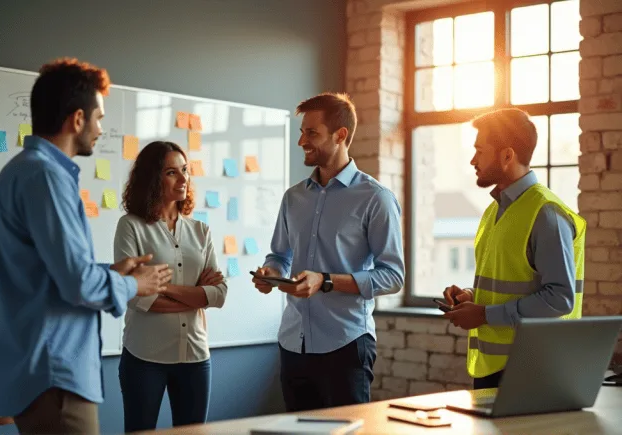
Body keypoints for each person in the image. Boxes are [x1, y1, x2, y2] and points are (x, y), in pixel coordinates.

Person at [0, 58, 172, 435]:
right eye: (99, 118)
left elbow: (51, 273)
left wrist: (110, 273)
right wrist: (136, 284)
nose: (101, 129)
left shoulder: (23, 170)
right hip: (55, 374)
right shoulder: (46, 177)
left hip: (41, 369)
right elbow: (77, 285)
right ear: (78, 119)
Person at [251, 92, 405, 411]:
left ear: (341, 135)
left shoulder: (376, 199)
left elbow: (393, 276)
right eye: (301, 132)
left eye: (312, 133)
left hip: (346, 344)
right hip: (293, 342)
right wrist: (271, 274)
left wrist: (326, 280)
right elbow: (279, 255)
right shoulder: (293, 198)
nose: (302, 142)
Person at [442, 108, 586, 390]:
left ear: (507, 155)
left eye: (479, 151)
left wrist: (484, 314)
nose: (473, 160)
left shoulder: (546, 215)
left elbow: (559, 299)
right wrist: (471, 297)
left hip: (534, 372)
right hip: (494, 369)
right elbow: (511, 283)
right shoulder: (492, 213)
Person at [114, 141, 228, 432]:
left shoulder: (201, 231)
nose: (183, 178)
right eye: (171, 172)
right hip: (145, 357)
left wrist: (164, 288)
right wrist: (195, 295)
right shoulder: (131, 226)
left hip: (195, 356)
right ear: (153, 178)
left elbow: (218, 294)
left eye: (185, 170)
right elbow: (136, 297)